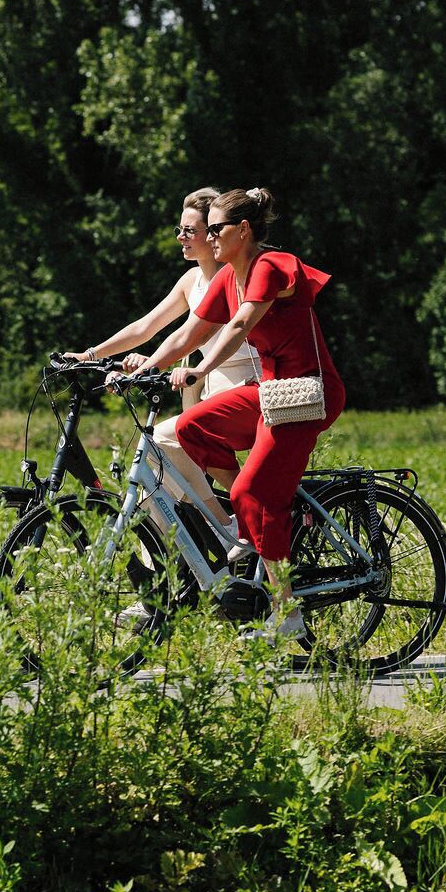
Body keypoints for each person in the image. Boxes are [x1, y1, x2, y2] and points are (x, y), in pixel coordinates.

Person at [121, 187, 344, 615]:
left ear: (243, 230)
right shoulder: (227, 278)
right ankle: (257, 523)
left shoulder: (271, 266)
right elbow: (188, 335)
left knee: (251, 490)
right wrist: (145, 367)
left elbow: (241, 323)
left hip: (306, 394)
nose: (209, 237)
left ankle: (287, 612)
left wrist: (201, 370)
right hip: (269, 395)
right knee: (189, 428)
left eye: (216, 228)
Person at [73, 188, 257, 529]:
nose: (180, 237)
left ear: (213, 233)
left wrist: (147, 366)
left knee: (164, 439)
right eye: (179, 230)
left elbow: (187, 337)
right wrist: (91, 354)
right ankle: (174, 557)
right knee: (159, 476)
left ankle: (230, 526)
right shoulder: (191, 281)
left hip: (246, 386)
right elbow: (146, 326)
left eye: (190, 230)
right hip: (211, 393)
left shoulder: (233, 277)